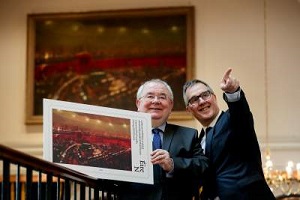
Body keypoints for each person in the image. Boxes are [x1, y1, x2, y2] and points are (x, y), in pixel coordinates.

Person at [183, 68, 275, 200]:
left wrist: (233, 92)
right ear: (189, 109)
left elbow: (240, 112)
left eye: (205, 95)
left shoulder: (233, 120)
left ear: (214, 97)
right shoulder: (199, 140)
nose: (202, 101)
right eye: (194, 99)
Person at [119, 79, 209, 200]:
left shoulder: (188, 135)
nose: (156, 101)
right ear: (138, 103)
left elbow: (203, 167)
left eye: (162, 97)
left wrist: (172, 164)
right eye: (150, 96)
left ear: (171, 105)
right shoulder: (121, 135)